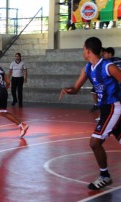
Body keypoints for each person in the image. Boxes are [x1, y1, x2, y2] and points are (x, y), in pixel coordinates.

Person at [60, 37, 121, 191]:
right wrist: (69, 90)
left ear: (88, 50)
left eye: (83, 49)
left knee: (94, 142)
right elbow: (76, 88)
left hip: (113, 107)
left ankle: (104, 175)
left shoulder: (108, 66)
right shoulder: (88, 68)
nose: (83, 52)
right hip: (105, 108)